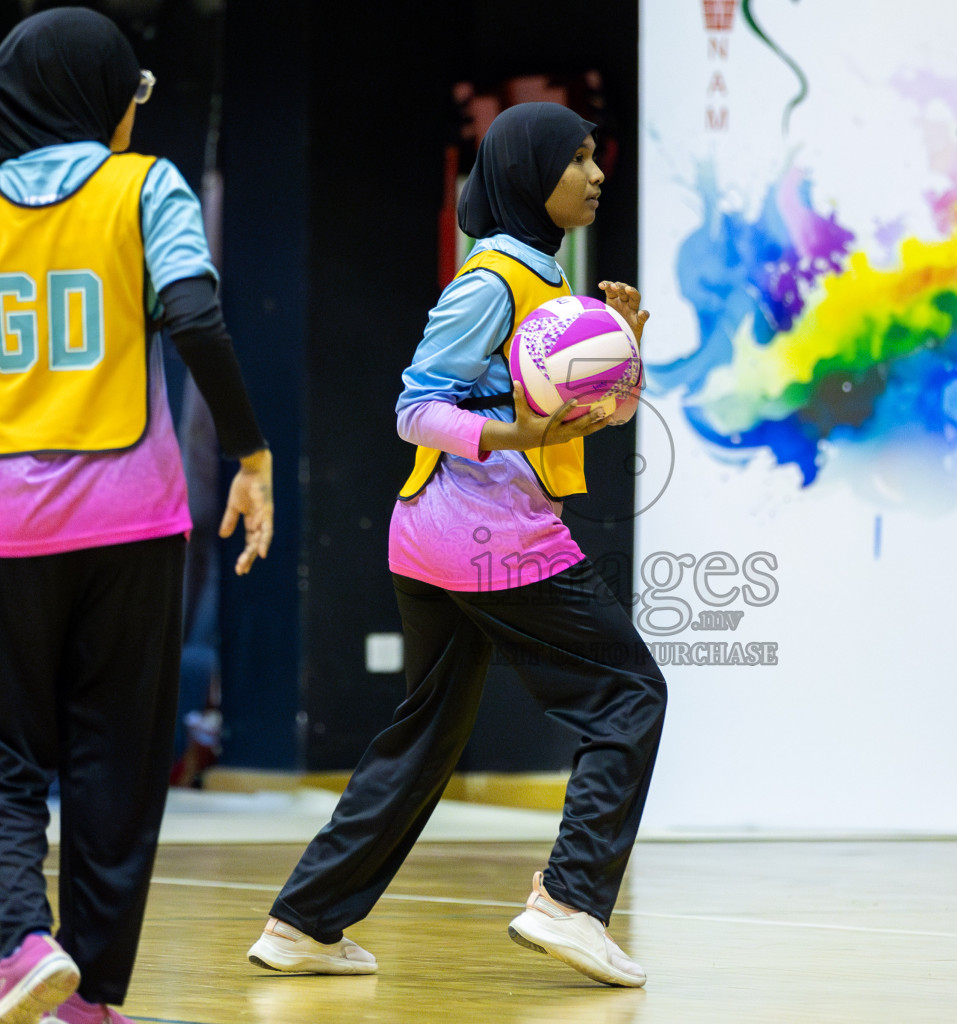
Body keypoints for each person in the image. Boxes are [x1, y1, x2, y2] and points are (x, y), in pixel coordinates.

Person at [0, 9, 273, 1023]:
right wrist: (251, 452)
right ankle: (91, 996)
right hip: (137, 521)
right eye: (129, 96)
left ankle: (22, 940)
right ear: (98, 97)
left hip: (4, 526)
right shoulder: (147, 185)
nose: (130, 114)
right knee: (118, 760)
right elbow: (195, 317)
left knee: (4, 752)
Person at [246, 102, 667, 989]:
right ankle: (570, 900)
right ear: (528, 174)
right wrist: (513, 435)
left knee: (425, 734)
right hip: (491, 539)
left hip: (436, 543)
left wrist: (627, 342)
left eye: (596, 157)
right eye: (579, 158)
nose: (596, 174)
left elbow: (579, 406)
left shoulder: (545, 281)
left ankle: (304, 922)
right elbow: (413, 411)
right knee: (628, 693)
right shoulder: (491, 281)